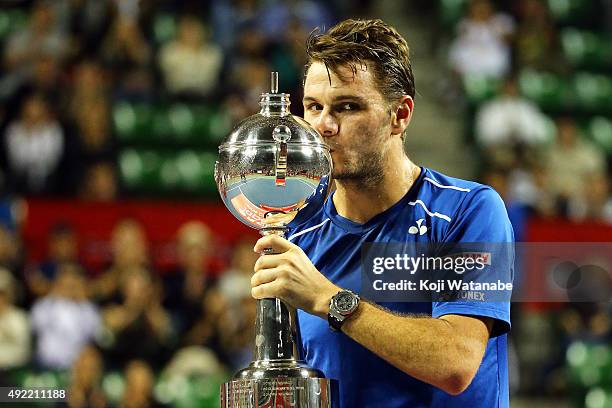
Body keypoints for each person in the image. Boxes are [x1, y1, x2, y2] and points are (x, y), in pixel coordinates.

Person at [250, 19, 514, 407]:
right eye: (313, 106)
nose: (323, 125)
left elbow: (456, 362)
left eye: (348, 106)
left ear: (400, 114)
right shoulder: (299, 234)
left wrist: (329, 300)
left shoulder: (465, 211)